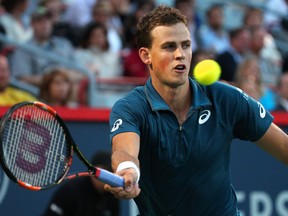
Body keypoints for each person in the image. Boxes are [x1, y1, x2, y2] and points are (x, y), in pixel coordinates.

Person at [104, 5, 288, 216]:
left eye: (186, 45)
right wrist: (127, 170)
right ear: (146, 55)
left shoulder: (225, 98)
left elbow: (284, 147)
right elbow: (124, 150)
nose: (180, 54)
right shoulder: (131, 107)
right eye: (169, 47)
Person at [43, 151, 120, 216]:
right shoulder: (69, 191)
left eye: (112, 172)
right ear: (93, 171)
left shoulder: (112, 196)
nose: (109, 176)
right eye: (106, 171)